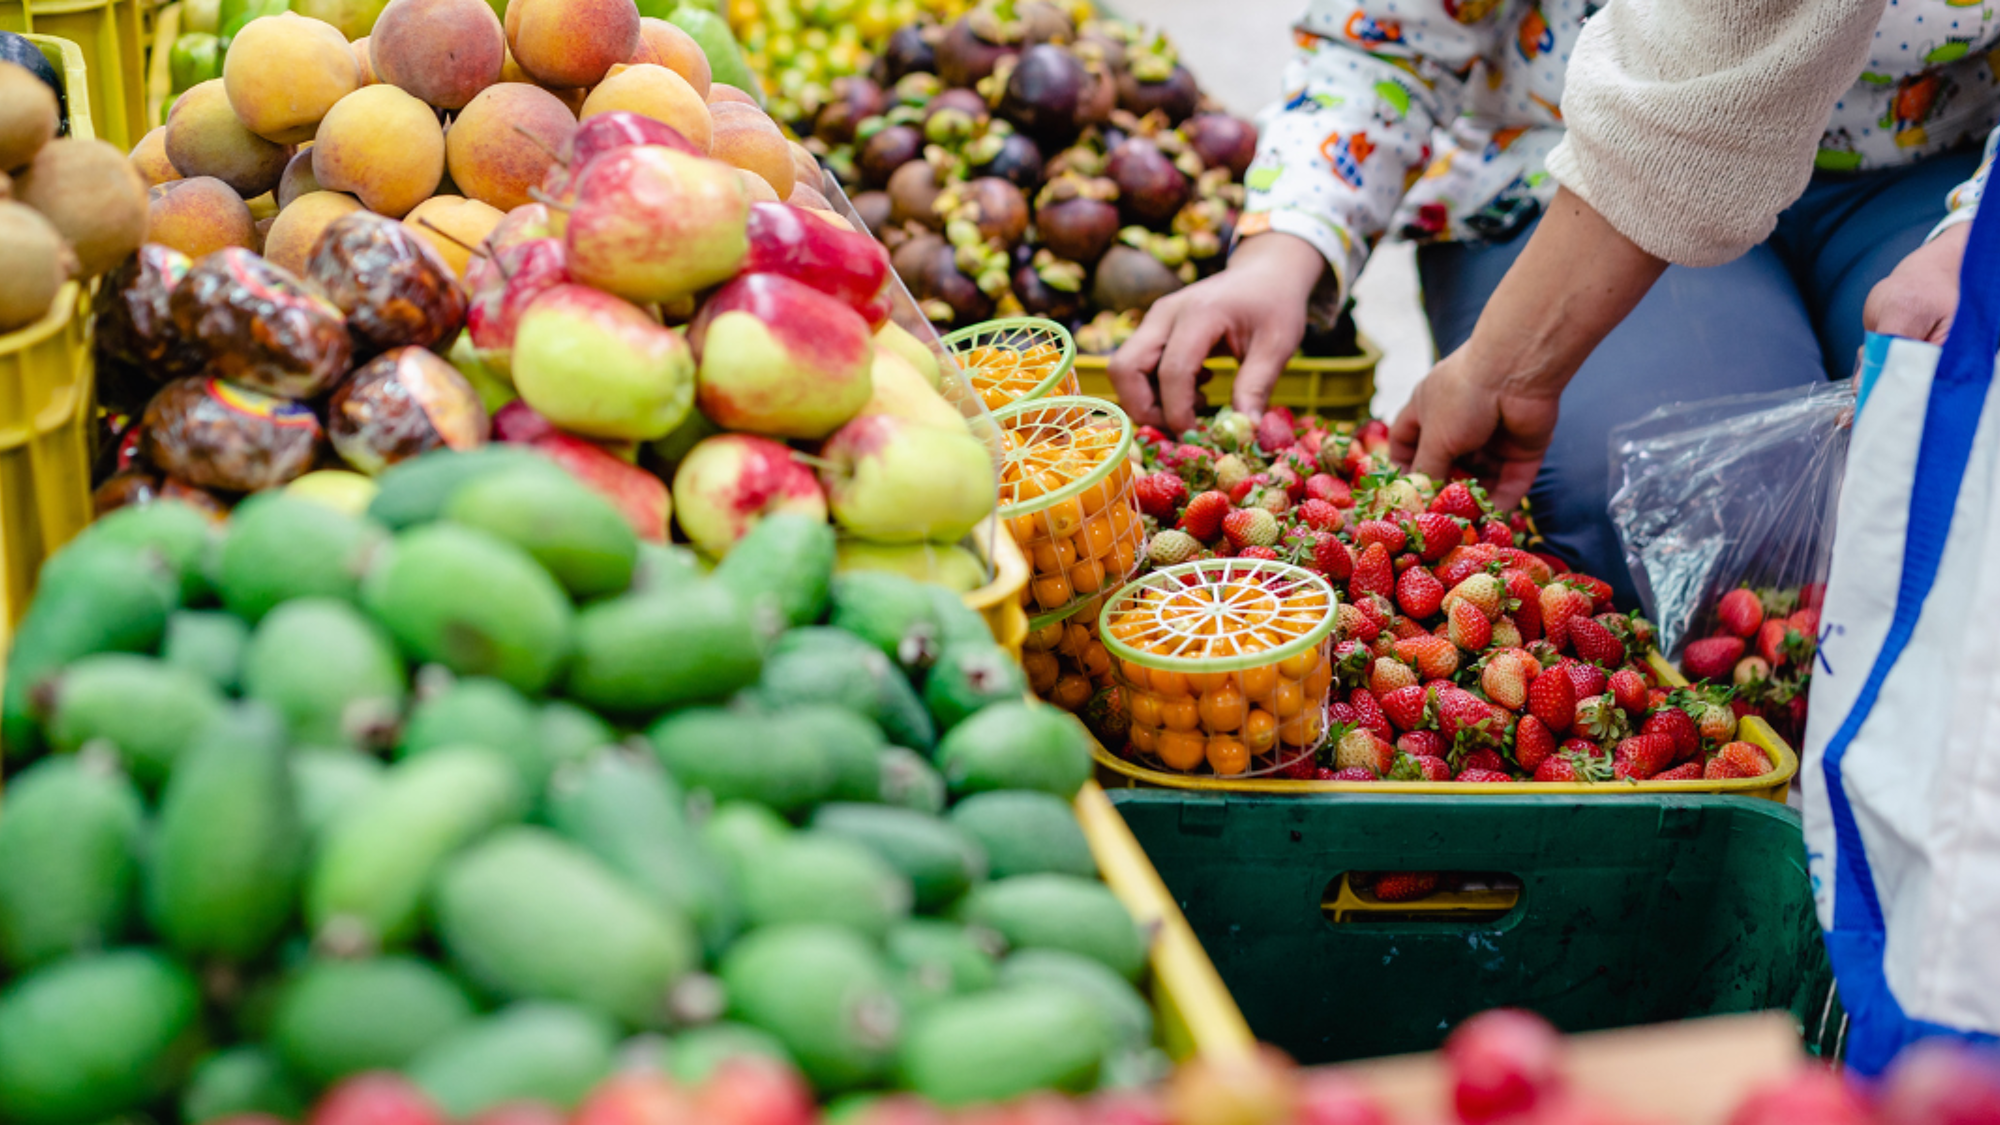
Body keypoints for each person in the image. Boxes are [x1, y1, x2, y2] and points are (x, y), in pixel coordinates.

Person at [1106, 0, 2000, 607]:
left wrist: (1976, 232)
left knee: (1964, 502)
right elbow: (1383, 34)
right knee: (1699, 528)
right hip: (1582, 164)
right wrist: (1283, 244)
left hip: (1935, 169)